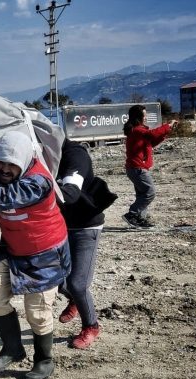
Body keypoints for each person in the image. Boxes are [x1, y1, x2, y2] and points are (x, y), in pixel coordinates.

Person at [0, 130, 70, 379]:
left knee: (38, 311)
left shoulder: (38, 182)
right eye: (1, 161)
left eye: (12, 164)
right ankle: (13, 349)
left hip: (44, 254)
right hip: (11, 247)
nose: (4, 169)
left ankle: (44, 360)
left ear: (24, 160)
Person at [56, 140, 118, 349]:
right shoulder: (42, 155)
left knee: (78, 284)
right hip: (62, 226)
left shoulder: (75, 154)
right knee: (57, 279)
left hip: (86, 226)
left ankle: (91, 326)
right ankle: (75, 301)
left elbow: (71, 192)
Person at [122, 105, 177, 228]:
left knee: (142, 195)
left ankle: (139, 219)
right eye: (144, 115)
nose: (146, 117)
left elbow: (151, 142)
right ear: (138, 117)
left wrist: (164, 134)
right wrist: (167, 126)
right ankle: (132, 214)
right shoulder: (137, 130)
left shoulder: (138, 131)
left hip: (136, 168)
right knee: (150, 192)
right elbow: (152, 134)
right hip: (137, 169)